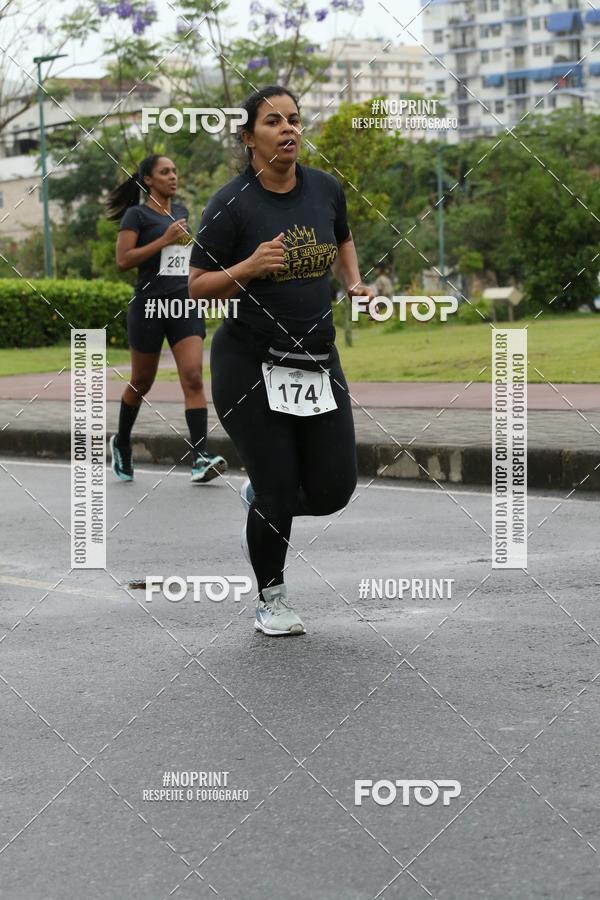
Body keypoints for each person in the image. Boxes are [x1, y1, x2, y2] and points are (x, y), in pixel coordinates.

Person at [188, 86, 374, 636]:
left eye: (294, 119)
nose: (288, 129)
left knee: (334, 490)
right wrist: (248, 267)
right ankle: (271, 598)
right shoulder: (230, 204)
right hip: (249, 362)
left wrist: (354, 283)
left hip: (315, 359)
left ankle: (262, 499)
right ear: (249, 138)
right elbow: (196, 286)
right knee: (277, 485)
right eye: (274, 122)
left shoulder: (325, 188)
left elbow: (342, 238)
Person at [105, 154, 227, 483]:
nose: (173, 176)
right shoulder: (136, 215)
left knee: (193, 377)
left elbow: (187, 258)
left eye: (174, 171)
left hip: (183, 303)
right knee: (141, 382)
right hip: (149, 306)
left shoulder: (182, 211)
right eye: (165, 172)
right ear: (148, 180)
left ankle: (200, 457)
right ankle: (122, 442)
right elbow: (123, 260)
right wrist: (164, 240)